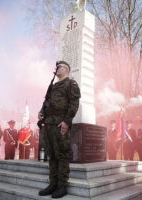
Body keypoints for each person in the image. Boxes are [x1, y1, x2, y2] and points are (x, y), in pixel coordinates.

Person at [38, 61, 80, 198]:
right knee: (52, 155)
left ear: (66, 69)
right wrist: (42, 112)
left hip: (60, 124)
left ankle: (62, 186)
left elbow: (74, 104)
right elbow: (47, 102)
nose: (56, 69)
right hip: (49, 124)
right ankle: (53, 184)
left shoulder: (71, 84)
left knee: (62, 155)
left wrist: (67, 122)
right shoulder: (53, 86)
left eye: (59, 67)